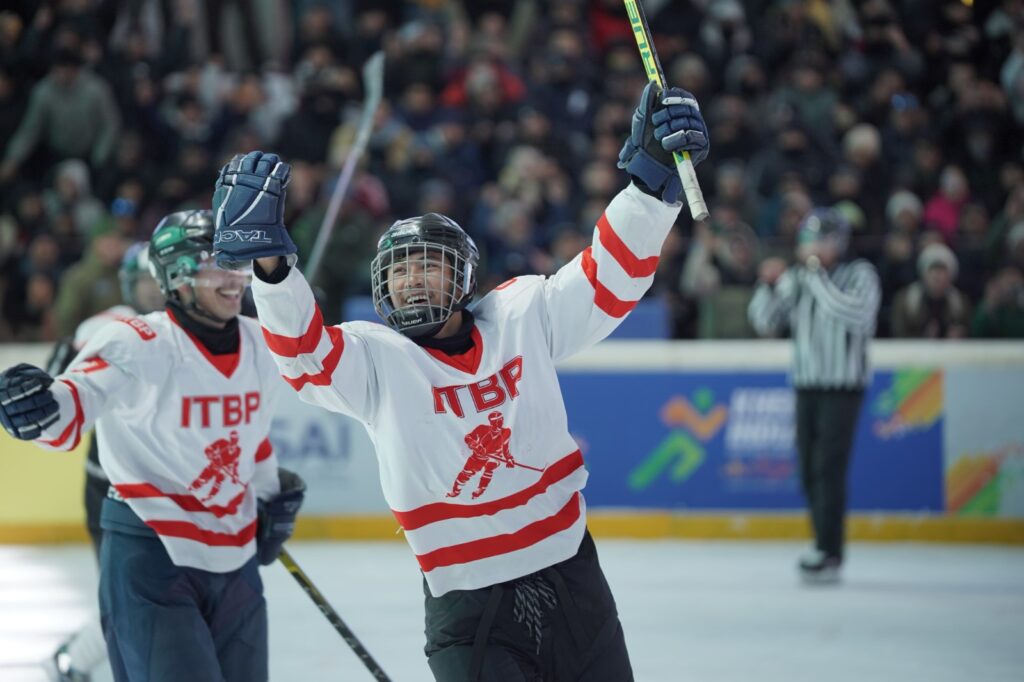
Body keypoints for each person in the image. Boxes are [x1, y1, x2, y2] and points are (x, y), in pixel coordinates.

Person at [211, 80, 709, 681]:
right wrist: (270, 269)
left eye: (428, 264)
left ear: (464, 276)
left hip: (573, 579)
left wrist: (650, 188)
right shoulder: (375, 360)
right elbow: (303, 357)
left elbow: (608, 279)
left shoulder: (522, 315)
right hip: (469, 607)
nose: (412, 280)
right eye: (400, 271)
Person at [0, 210, 305, 682]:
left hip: (235, 556)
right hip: (152, 552)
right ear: (177, 274)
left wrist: (270, 499)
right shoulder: (135, 342)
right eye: (215, 265)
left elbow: (250, 440)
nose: (233, 280)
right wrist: (38, 410)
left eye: (236, 265)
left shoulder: (260, 345)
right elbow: (69, 414)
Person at [43, 240, 165, 682]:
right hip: (112, 487)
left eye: (158, 278)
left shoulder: (191, 325)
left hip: (176, 482)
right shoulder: (105, 325)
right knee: (127, 596)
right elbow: (57, 393)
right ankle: (75, 659)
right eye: (144, 280)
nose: (152, 290)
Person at [748, 208, 881, 584]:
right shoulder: (800, 277)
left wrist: (815, 276)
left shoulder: (860, 275)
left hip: (843, 385)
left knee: (829, 468)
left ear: (838, 242)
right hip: (806, 384)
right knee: (808, 468)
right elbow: (765, 321)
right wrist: (768, 285)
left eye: (821, 239)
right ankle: (822, 543)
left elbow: (853, 314)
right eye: (809, 239)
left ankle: (829, 550)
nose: (814, 247)